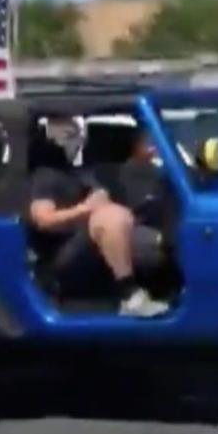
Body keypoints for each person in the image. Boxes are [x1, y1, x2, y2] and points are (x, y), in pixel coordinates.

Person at [28, 116, 169, 318]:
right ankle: (130, 297)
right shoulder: (45, 176)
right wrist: (86, 209)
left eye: (76, 135)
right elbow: (43, 220)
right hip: (65, 253)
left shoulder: (89, 173)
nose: (74, 141)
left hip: (95, 243)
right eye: (67, 135)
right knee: (111, 215)